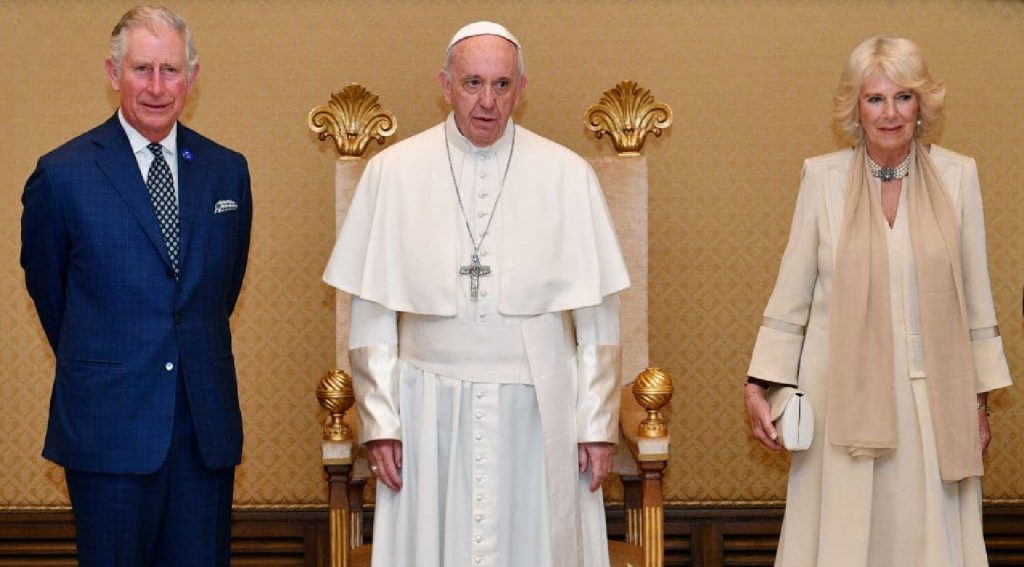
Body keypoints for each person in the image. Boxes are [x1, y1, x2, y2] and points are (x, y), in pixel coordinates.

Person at [323, 21, 628, 567]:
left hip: (538, 408)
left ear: (521, 88)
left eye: (502, 85)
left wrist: (597, 423)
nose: (487, 102)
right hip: (427, 406)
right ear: (445, 85)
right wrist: (381, 421)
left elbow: (598, 318)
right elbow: (372, 314)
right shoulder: (393, 173)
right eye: (472, 84)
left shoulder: (567, 174)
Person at [744, 35, 1011, 567]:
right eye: (875, 99)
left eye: (903, 97)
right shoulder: (822, 178)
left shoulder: (958, 176)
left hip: (933, 400)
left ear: (922, 105)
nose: (890, 113)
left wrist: (978, 406)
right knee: (845, 539)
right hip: (839, 399)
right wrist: (760, 383)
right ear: (856, 108)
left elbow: (977, 303)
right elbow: (792, 294)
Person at [20, 6, 251, 566]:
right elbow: (53, 298)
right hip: (108, 433)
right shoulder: (63, 174)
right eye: (141, 69)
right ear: (113, 73)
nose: (156, 87)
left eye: (170, 70)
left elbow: (220, 291)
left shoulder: (227, 171)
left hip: (203, 435)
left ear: (191, 77)